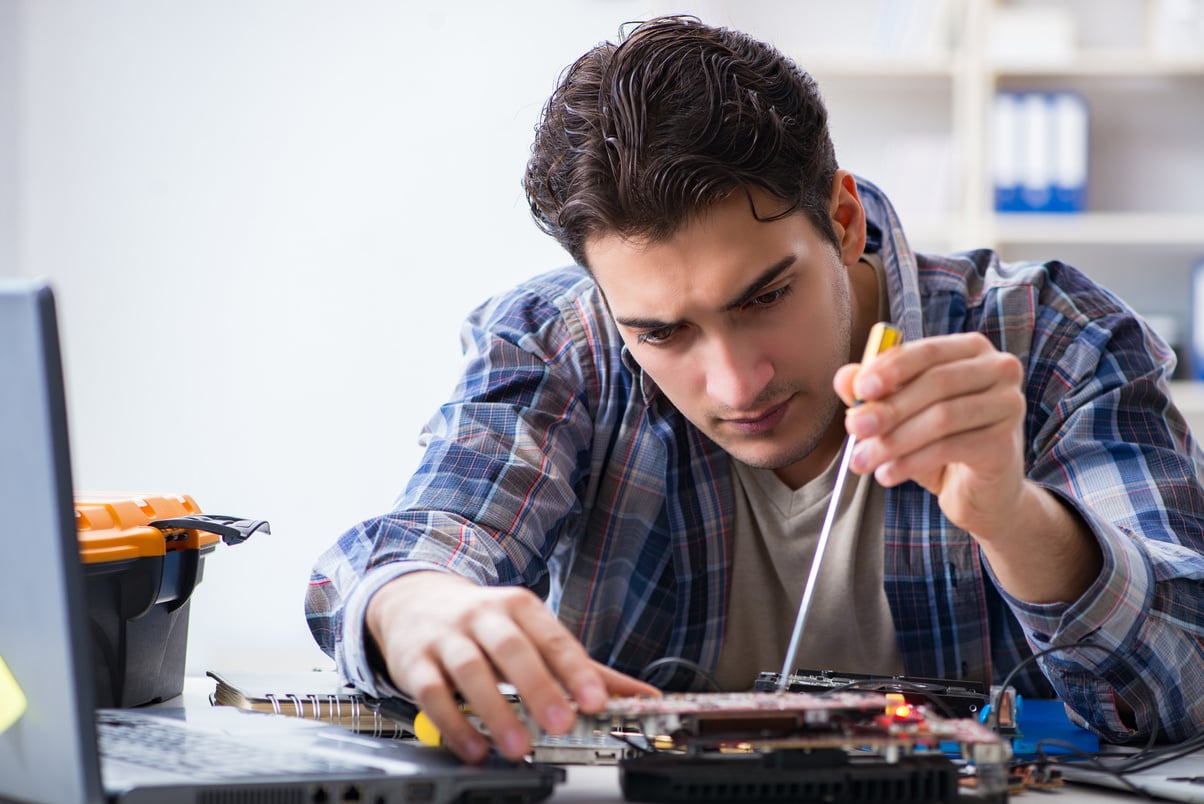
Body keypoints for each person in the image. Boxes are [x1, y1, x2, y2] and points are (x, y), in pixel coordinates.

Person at [306, 16, 1204, 764]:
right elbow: (428, 540)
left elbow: (1188, 683)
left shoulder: (1057, 339)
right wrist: (414, 602)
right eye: (660, 332)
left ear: (844, 220)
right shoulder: (559, 342)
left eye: (764, 297)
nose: (736, 382)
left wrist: (1015, 518)